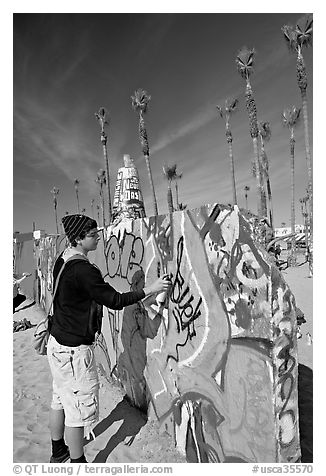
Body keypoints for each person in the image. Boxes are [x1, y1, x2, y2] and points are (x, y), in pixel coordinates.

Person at [47, 214, 171, 464]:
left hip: (58, 344)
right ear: (79, 238)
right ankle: (78, 463)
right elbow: (114, 300)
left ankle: (58, 451)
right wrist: (151, 289)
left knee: (60, 399)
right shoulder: (83, 270)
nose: (98, 238)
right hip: (73, 353)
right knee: (77, 415)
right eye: (93, 235)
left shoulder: (63, 260)